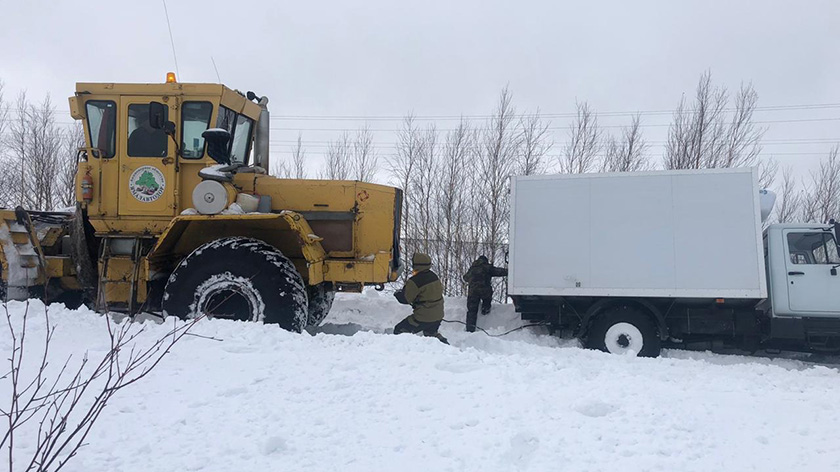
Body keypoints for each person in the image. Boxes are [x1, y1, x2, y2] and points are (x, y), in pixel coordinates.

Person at [393, 253, 448, 344]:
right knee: (431, 334)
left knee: (399, 330)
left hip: (423, 317)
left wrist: (397, 294)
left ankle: (405, 351)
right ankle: (445, 345)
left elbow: (406, 299)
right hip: (438, 316)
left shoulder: (414, 281)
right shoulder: (434, 276)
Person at [463, 255, 508, 333]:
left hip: (473, 292)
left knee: (471, 311)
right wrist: (509, 271)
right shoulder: (487, 267)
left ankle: (470, 329)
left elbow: (465, 278)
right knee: (487, 298)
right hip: (484, 291)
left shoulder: (472, 268)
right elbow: (498, 271)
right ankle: (485, 309)